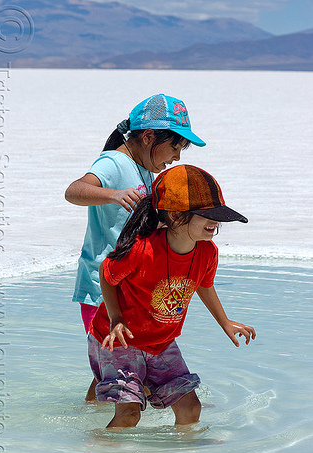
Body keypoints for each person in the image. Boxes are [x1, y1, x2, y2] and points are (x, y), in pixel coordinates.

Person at [88, 164, 256, 429]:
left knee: (191, 408)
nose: (216, 222)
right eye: (206, 215)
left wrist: (224, 322)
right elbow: (107, 274)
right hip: (120, 339)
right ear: (176, 216)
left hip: (160, 341)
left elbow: (204, 285)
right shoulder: (142, 249)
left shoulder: (207, 252)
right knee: (129, 414)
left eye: (218, 215)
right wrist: (116, 317)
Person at [65, 94, 206, 401]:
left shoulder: (146, 171)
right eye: (175, 146)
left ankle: (90, 417)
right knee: (124, 371)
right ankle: (100, 436)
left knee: (117, 369)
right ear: (148, 136)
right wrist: (112, 194)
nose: (177, 157)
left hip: (130, 287)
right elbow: (73, 191)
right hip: (103, 287)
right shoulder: (114, 163)